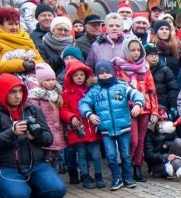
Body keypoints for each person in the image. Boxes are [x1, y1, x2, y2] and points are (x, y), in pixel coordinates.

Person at [0, 74, 66, 198]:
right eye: (13, 92)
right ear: (3, 92)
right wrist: (11, 132)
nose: (18, 96)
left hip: (35, 165)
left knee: (58, 190)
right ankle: (22, 187)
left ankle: (28, 185)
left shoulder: (32, 110)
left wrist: (37, 136)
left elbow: (49, 140)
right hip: (5, 166)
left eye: (20, 91)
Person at [79, 61, 145, 190]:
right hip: (106, 129)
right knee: (110, 155)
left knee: (125, 154)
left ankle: (127, 177)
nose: (104, 75)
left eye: (107, 72)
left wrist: (137, 104)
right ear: (97, 75)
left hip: (124, 127)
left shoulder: (121, 86)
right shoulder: (94, 91)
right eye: (101, 73)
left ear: (112, 72)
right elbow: (83, 103)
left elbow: (137, 94)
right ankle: (116, 178)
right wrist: (89, 114)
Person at [114, 38, 158, 182]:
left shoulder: (145, 68)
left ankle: (137, 167)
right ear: (126, 50)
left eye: (138, 50)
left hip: (145, 108)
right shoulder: (119, 68)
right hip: (128, 108)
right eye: (132, 50)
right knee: (132, 140)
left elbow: (152, 91)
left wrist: (155, 111)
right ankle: (126, 166)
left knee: (141, 140)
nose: (136, 53)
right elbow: (118, 91)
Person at [0, 7, 45, 103]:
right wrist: (21, 65)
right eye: (10, 24)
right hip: (6, 92)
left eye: (16, 24)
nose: (15, 27)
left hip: (31, 91)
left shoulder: (26, 39)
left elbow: (41, 61)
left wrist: (33, 63)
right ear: (0, 24)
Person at [60, 60, 104, 189]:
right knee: (82, 154)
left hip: (93, 128)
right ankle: (85, 176)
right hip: (78, 129)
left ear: (86, 76)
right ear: (70, 77)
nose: (79, 77)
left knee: (96, 154)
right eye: (75, 75)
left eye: (81, 75)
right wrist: (71, 117)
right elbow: (63, 109)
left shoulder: (93, 91)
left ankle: (98, 175)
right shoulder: (66, 94)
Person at [27, 64, 65, 170]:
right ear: (41, 81)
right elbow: (34, 113)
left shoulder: (57, 94)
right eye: (48, 80)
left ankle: (56, 178)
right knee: (46, 158)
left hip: (57, 131)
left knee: (56, 158)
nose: (52, 82)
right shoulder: (35, 96)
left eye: (53, 79)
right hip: (45, 131)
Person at [144, 109, 181, 179]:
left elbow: (175, 142)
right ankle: (170, 170)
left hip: (170, 156)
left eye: (165, 119)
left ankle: (174, 169)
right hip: (157, 161)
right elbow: (149, 155)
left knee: (179, 142)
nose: (163, 122)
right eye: (160, 120)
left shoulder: (170, 129)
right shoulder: (149, 133)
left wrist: (167, 144)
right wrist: (165, 156)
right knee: (174, 164)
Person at [145, 44, 179, 122]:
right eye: (151, 55)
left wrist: (173, 106)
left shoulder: (165, 70)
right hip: (147, 107)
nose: (154, 57)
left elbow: (173, 90)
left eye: (156, 55)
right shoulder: (142, 71)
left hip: (163, 106)